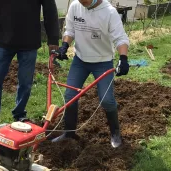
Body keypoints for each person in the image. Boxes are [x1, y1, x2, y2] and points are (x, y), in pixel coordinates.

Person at [51, 0, 130, 148]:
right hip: (80, 60)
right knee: (70, 96)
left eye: (85, 1)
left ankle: (115, 133)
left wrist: (123, 59)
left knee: (106, 100)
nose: (83, 3)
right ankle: (69, 133)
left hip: (103, 61)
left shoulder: (109, 12)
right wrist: (65, 45)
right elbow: (70, 30)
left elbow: (120, 38)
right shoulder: (76, 6)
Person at [0, 0, 60, 133]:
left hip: (29, 41)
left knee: (25, 82)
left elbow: (49, 9)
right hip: (2, 40)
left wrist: (53, 38)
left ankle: (20, 114)